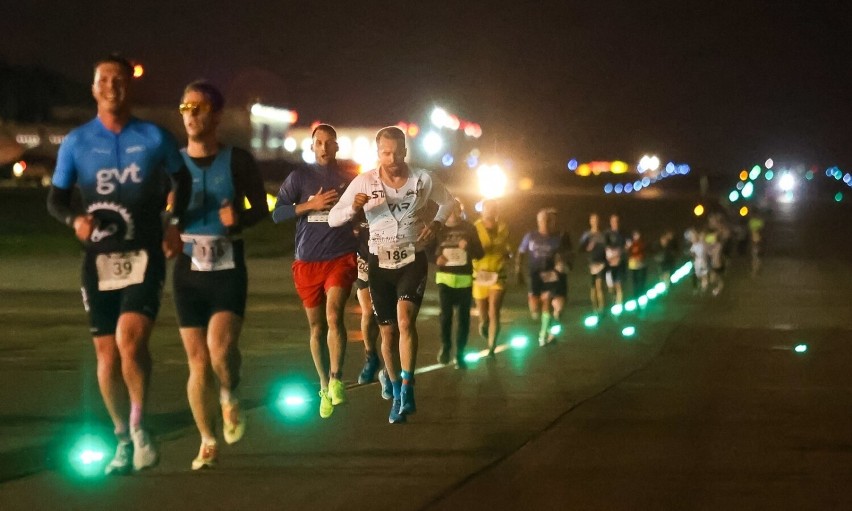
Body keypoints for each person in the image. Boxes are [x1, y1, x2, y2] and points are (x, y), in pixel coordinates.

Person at [46, 54, 192, 475]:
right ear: (93, 89)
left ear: (130, 87)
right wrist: (75, 219)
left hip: (144, 253)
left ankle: (140, 426)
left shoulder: (153, 137)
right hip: (98, 261)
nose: (112, 86)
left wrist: (173, 223)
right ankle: (121, 437)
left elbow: (180, 179)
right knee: (108, 356)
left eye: (119, 80)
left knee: (131, 341)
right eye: (104, 80)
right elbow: (56, 198)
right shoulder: (77, 142)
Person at [328, 126, 455, 424]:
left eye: (398, 152)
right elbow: (334, 217)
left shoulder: (423, 178)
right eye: (386, 152)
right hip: (378, 263)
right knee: (387, 331)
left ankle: (408, 387)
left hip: (412, 259)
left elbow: (449, 202)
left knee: (405, 321)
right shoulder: (364, 182)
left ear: (406, 151)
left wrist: (436, 224)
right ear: (378, 153)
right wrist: (353, 209)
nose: (392, 158)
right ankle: (396, 390)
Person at [172, 80, 268, 469]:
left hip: (228, 267)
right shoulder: (173, 164)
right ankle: (207, 440)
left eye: (199, 108)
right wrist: (165, 227)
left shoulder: (239, 160)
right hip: (187, 271)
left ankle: (229, 395)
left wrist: (238, 219)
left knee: (220, 351)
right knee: (197, 361)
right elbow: (161, 213)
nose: (191, 115)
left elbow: (262, 208)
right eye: (185, 108)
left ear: (216, 115)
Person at [272, 124, 358, 419]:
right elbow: (277, 213)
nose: (323, 147)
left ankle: (336, 378)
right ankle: (323, 384)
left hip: (340, 257)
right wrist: (312, 204)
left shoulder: (349, 177)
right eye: (318, 143)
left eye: (329, 142)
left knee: (335, 315)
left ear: (336, 146)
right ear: (312, 147)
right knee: (317, 327)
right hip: (307, 261)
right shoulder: (299, 177)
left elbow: (364, 212)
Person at [429, 199, 483, 368]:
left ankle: (460, 353)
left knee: (463, 319)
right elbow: (427, 249)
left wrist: (468, 247)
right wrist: (436, 258)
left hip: (464, 280)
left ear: (461, 211)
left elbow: (480, 253)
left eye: (456, 210)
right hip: (445, 280)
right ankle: (446, 347)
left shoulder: (469, 228)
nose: (453, 214)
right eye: (449, 210)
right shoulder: (439, 229)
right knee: (445, 317)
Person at [516, 208, 572, 346]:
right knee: (534, 310)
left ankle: (543, 334)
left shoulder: (557, 238)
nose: (546, 224)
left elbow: (565, 255)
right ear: (538, 221)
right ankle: (544, 326)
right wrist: (518, 270)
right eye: (543, 221)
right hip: (534, 274)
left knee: (548, 301)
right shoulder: (530, 236)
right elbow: (521, 252)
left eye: (548, 221)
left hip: (550, 274)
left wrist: (562, 264)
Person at [471, 199, 512, 357]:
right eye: (487, 209)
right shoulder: (475, 227)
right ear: (482, 211)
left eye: (493, 209)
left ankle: (492, 346)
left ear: (497, 211)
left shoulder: (503, 227)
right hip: (480, 274)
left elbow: (507, 246)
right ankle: (484, 323)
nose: (490, 211)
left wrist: (508, 254)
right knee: (483, 313)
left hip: (497, 274)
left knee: (494, 309)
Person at [353, 213, 381, 384]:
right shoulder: (356, 205)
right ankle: (370, 356)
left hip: (385, 262)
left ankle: (392, 361)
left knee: (383, 314)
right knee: (368, 311)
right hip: (363, 263)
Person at [579, 213, 607, 314]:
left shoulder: (602, 234)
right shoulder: (587, 234)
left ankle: (602, 308)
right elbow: (581, 248)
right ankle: (595, 308)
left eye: (597, 220)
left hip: (601, 263)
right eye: (593, 220)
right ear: (590, 221)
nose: (595, 222)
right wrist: (587, 247)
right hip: (591, 264)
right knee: (593, 287)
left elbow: (606, 249)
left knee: (600, 286)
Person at [604, 213, 627, 306]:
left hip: (620, 263)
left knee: (619, 286)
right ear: (610, 222)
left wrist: (620, 254)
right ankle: (614, 299)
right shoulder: (607, 233)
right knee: (611, 287)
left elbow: (626, 246)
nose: (615, 223)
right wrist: (611, 256)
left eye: (617, 221)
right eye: (613, 221)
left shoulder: (623, 234)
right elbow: (605, 247)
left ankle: (619, 306)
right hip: (609, 265)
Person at [626, 229, 647, 299]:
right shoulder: (631, 244)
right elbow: (629, 252)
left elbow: (644, 253)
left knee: (641, 281)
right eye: (635, 235)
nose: (636, 236)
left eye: (637, 235)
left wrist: (640, 256)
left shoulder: (642, 243)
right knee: (635, 282)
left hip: (641, 265)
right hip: (633, 265)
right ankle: (636, 296)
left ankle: (641, 294)